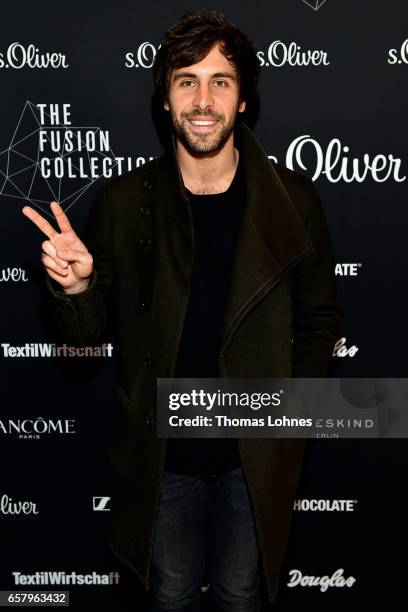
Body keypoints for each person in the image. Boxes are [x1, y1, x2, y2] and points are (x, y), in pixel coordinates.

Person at [22, 9, 342, 612]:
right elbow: (86, 334)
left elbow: (320, 318)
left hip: (253, 461)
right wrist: (75, 287)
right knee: (168, 596)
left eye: (220, 80)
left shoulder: (292, 200)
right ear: (165, 100)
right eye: (185, 80)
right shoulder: (124, 201)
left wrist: (286, 415)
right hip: (161, 457)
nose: (203, 98)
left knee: (242, 596)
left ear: (243, 98)